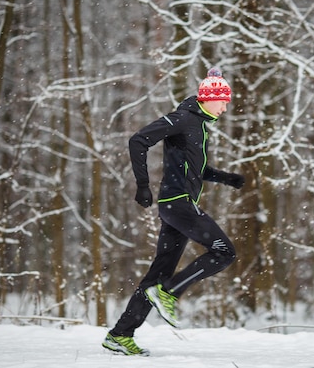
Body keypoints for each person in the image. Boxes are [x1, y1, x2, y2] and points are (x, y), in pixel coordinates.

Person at [101, 67, 245, 356]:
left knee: (157, 274)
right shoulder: (183, 119)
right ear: (208, 98)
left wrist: (225, 178)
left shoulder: (199, 127)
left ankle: (120, 334)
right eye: (223, 100)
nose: (226, 106)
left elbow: (194, 169)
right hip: (177, 204)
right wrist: (143, 185)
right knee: (224, 252)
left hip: (177, 208)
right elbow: (138, 140)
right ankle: (171, 292)